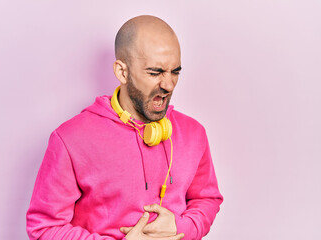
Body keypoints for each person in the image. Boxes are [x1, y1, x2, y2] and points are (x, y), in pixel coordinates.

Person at [26, 15, 223, 240]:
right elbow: (43, 228)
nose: (168, 85)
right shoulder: (70, 140)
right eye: (155, 72)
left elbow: (207, 199)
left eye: (175, 72)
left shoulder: (194, 133)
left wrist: (183, 228)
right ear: (122, 72)